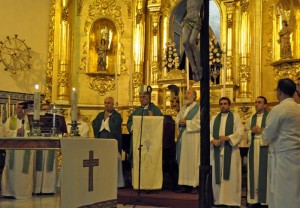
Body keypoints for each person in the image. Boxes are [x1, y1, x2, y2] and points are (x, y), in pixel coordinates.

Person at [262, 78, 300, 208]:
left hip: (282, 157)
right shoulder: (298, 108)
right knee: (295, 191)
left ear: (279, 92)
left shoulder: (279, 110)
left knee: (282, 192)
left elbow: (267, 135)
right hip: (296, 155)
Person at [210, 97, 244, 207]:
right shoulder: (214, 118)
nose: (223, 106)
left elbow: (240, 132)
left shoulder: (235, 117)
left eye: (225, 104)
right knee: (217, 175)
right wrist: (212, 140)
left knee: (231, 176)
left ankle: (231, 200)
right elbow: (208, 132)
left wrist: (228, 138)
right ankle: (218, 200)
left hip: (231, 151)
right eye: (221, 104)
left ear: (229, 105)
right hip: (216, 150)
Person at [1, 102, 34, 199]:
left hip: (26, 151)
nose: (20, 110)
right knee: (12, 170)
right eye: (18, 108)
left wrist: (25, 133)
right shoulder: (10, 120)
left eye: (22, 108)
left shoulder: (30, 120)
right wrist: (16, 132)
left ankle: (24, 193)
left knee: (25, 172)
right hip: (13, 152)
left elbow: (35, 133)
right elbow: (4, 133)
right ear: (15, 109)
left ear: (25, 110)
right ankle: (9, 192)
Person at [92, 96, 124, 187]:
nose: (106, 105)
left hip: (112, 141)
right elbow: (94, 124)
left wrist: (106, 120)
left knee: (113, 161)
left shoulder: (117, 116)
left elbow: (115, 127)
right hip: (101, 140)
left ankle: (116, 182)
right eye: (105, 103)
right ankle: (102, 180)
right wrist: (104, 120)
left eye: (108, 103)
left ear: (113, 105)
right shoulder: (99, 115)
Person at [175, 89, 200, 193]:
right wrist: (179, 122)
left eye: (188, 93)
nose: (185, 95)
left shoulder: (198, 108)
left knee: (193, 161)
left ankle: (195, 185)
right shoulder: (183, 108)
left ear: (194, 97)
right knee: (184, 161)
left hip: (194, 137)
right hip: (184, 137)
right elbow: (177, 119)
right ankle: (185, 184)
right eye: (185, 93)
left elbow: (201, 122)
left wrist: (187, 123)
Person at [246, 96, 269, 207]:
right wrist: (251, 132)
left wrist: (261, 130)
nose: (256, 104)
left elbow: (273, 132)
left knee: (265, 172)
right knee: (253, 172)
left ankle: (265, 200)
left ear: (265, 105)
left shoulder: (270, 117)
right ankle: (254, 200)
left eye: (259, 102)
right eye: (255, 102)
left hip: (265, 148)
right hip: (253, 147)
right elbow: (245, 132)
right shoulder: (251, 118)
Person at [33, 102, 58, 195]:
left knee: (49, 163)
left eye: (48, 110)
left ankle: (48, 188)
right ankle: (37, 188)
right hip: (39, 141)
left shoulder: (54, 119)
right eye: (44, 110)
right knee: (39, 164)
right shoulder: (36, 119)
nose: (45, 112)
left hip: (50, 141)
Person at [182, 0, 203, 81]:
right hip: (187, 18)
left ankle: (199, 66)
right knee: (184, 43)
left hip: (196, 18)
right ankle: (193, 67)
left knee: (191, 42)